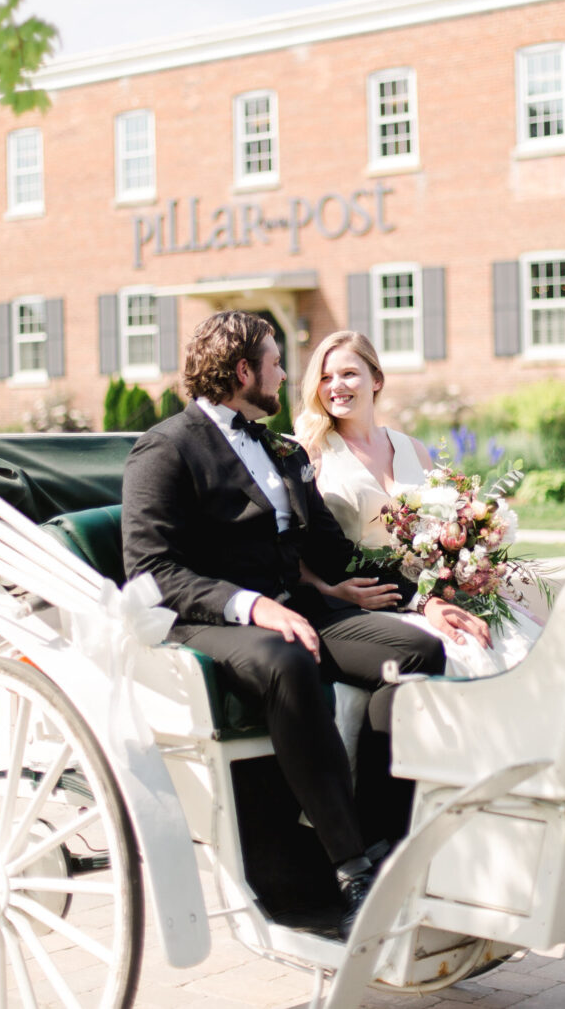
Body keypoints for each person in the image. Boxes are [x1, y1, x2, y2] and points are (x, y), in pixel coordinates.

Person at [121, 310, 445, 938]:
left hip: (299, 611)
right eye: (274, 362)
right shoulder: (165, 448)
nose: (283, 374)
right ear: (243, 371)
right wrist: (253, 606)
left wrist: (423, 600)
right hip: (209, 620)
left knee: (413, 654)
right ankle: (350, 869)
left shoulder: (282, 450)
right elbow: (152, 569)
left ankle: (380, 838)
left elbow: (334, 554)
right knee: (287, 659)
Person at [294, 330, 543, 679]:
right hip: (366, 602)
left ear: (376, 379)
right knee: (456, 655)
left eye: (348, 373)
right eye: (324, 377)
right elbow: (293, 546)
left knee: (521, 640)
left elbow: (447, 528)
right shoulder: (310, 453)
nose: (336, 385)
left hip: (429, 591)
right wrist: (330, 590)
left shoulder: (413, 449)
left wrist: (474, 572)